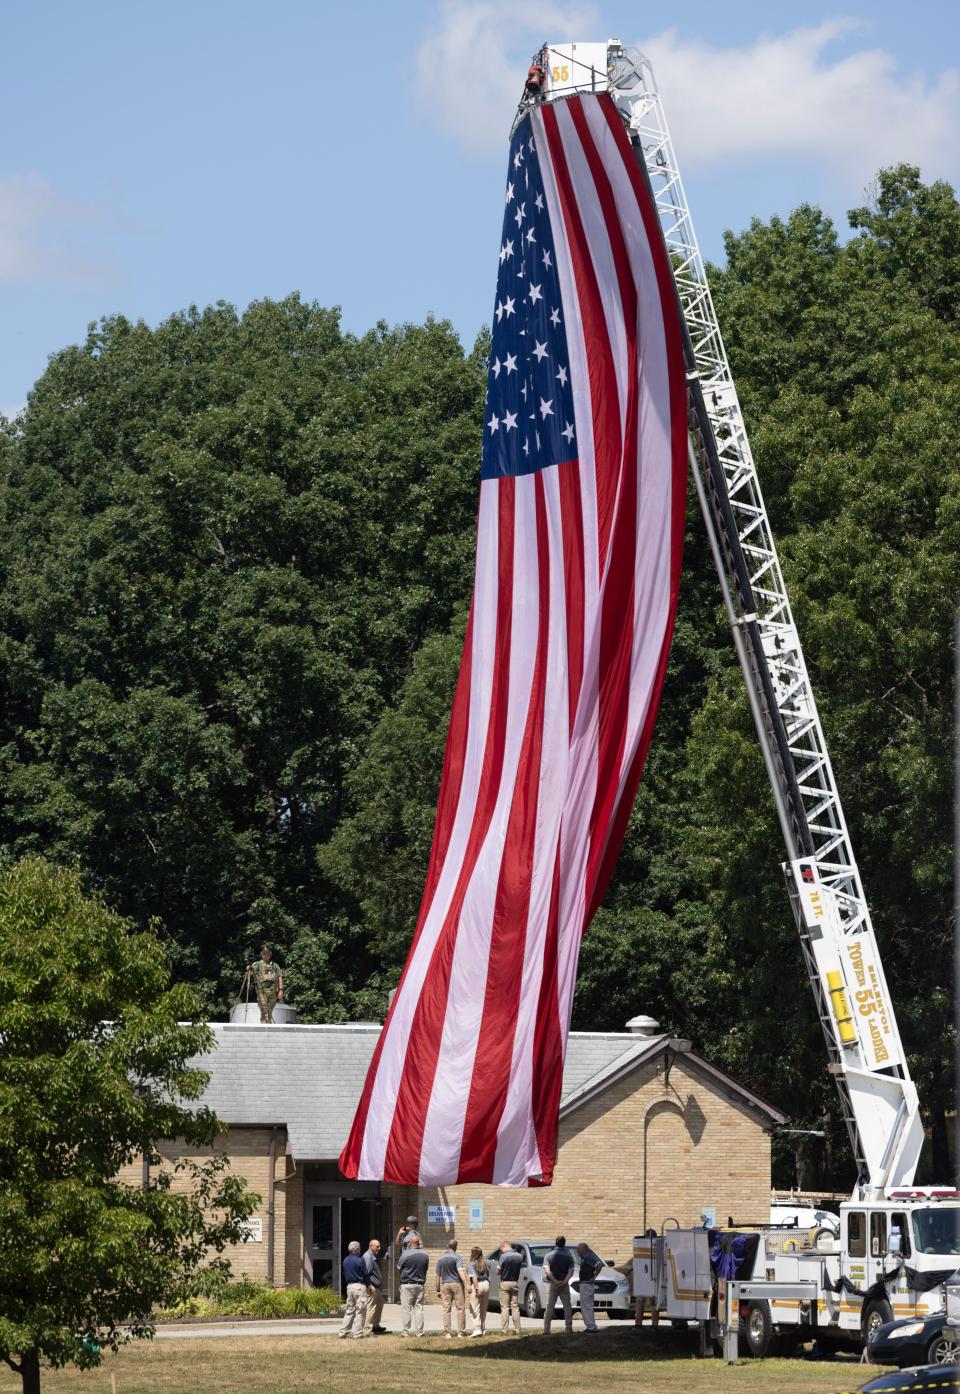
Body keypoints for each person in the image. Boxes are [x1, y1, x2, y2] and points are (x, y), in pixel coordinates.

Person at [398, 1234, 429, 1338]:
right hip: (419, 1285)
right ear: (418, 1243)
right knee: (419, 1309)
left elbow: (398, 1268)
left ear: (410, 1243)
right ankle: (419, 1332)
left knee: (406, 1309)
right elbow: (425, 1269)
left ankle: (405, 1332)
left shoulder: (405, 1254)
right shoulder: (425, 1255)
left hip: (407, 1284)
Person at [435, 1237, 467, 1338]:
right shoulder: (457, 1258)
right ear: (456, 1247)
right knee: (460, 1308)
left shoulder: (441, 1259)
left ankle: (447, 1332)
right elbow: (460, 1271)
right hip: (457, 1284)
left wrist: (438, 1290)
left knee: (446, 1309)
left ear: (448, 1246)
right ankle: (461, 1332)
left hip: (445, 1285)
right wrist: (466, 1284)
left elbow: (437, 1276)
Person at [543, 1235, 574, 1334]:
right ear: (564, 1244)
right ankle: (568, 1329)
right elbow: (571, 1271)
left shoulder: (548, 1255)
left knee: (550, 1306)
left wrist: (555, 1281)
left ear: (555, 1243)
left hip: (553, 1284)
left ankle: (546, 1329)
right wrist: (564, 1282)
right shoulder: (569, 1256)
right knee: (567, 1307)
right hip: (564, 1285)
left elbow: (547, 1271)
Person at [338, 1240, 368, 1339]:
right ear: (357, 1249)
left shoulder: (345, 1260)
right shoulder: (360, 1260)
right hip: (359, 1286)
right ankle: (358, 1333)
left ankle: (343, 1332)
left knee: (349, 1310)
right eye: (359, 1247)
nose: (360, 1249)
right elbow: (365, 1274)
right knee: (360, 1311)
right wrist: (368, 1285)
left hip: (349, 1286)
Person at [247, 946, 283, 1023]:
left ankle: (267, 1025)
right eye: (264, 954)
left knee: (270, 1010)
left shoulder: (274, 965)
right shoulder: (257, 964)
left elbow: (280, 976)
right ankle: (265, 1026)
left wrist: (280, 990)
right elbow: (251, 969)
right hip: (261, 991)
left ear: (270, 955)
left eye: (267, 954)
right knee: (264, 1009)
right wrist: (249, 968)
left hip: (272, 991)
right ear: (262, 955)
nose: (266, 955)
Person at [576, 1241, 604, 1332]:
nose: (577, 1251)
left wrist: (594, 1277)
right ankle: (590, 1326)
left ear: (585, 1249)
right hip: (584, 1284)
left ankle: (591, 1327)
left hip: (587, 1284)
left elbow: (599, 1265)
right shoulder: (585, 1258)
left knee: (587, 1306)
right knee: (586, 1306)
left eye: (579, 1249)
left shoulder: (588, 1257)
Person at [496, 1241, 523, 1336]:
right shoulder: (520, 1256)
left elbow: (497, 1271)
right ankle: (517, 1329)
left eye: (501, 1250)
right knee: (515, 1307)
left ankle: (504, 1330)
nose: (502, 1252)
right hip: (515, 1282)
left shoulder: (503, 1256)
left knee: (505, 1307)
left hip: (505, 1282)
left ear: (505, 1246)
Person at [363, 1237, 385, 1335]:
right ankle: (367, 1329)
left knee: (380, 1304)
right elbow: (366, 1273)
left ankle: (376, 1325)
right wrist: (369, 1286)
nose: (379, 1248)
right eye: (377, 1246)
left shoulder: (372, 1256)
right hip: (371, 1287)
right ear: (371, 1246)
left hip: (376, 1286)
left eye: (379, 1246)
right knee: (371, 1307)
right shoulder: (367, 1257)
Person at [466, 1246, 489, 1336]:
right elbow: (489, 1276)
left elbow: (474, 1277)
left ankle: (477, 1329)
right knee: (483, 1308)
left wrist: (476, 1288)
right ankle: (483, 1329)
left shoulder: (471, 1264)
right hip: (486, 1284)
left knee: (474, 1309)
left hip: (477, 1285)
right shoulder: (484, 1263)